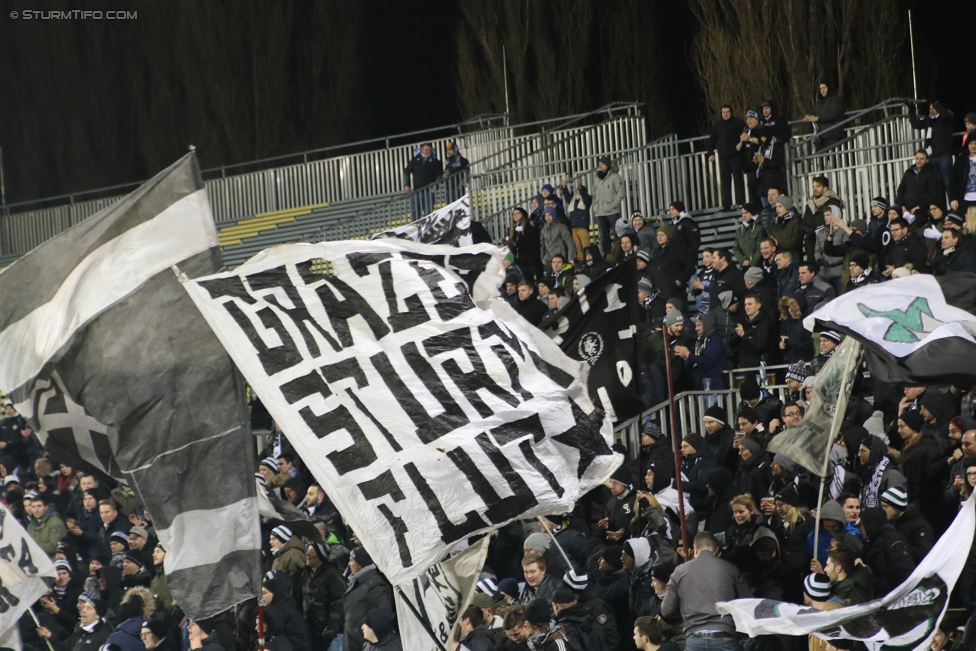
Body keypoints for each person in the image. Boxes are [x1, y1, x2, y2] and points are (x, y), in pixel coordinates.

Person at [660, 532, 750, 651]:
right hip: (724, 635)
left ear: (695, 549)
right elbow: (747, 603)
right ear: (717, 550)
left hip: (694, 636)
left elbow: (666, 610)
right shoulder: (731, 569)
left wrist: (686, 609)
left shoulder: (680, 571)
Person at [343, 546, 393, 651]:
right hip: (353, 643)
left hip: (365, 645)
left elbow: (383, 612)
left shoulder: (374, 584)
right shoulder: (357, 582)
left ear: (360, 564)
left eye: (351, 561)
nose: (349, 564)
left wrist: (367, 638)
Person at [859, 507, 916, 597]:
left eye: (861, 525)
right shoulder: (875, 542)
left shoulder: (892, 540)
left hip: (892, 597)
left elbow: (904, 570)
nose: (860, 529)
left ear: (869, 523)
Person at [300, 542, 346, 651]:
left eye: (311, 552)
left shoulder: (332, 574)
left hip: (325, 632)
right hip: (308, 630)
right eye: (307, 551)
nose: (307, 554)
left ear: (321, 555)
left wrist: (330, 630)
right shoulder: (305, 573)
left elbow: (339, 603)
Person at [879, 486, 933, 564]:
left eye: (886, 506)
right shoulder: (890, 523)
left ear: (896, 507)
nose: (883, 510)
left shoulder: (920, 525)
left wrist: (897, 549)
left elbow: (923, 553)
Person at [707, 105, 747, 210]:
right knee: (725, 181)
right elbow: (712, 139)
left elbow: (746, 131)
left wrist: (741, 144)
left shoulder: (737, 122)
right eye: (723, 112)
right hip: (723, 158)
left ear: (731, 112)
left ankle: (741, 202)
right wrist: (710, 153)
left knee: (738, 179)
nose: (725, 114)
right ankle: (726, 204)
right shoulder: (718, 125)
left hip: (735, 156)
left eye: (727, 112)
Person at [675, 314, 727, 392]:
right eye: (695, 325)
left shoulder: (715, 342)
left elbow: (707, 362)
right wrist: (687, 358)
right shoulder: (697, 342)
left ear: (706, 325)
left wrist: (689, 355)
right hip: (699, 387)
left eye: (699, 325)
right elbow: (689, 367)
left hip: (714, 389)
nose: (696, 328)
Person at [909, 101, 955, 190]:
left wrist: (936, 103)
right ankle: (938, 204)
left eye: (934, 108)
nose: (932, 110)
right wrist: (911, 110)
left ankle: (953, 202)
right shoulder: (928, 120)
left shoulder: (945, 119)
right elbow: (915, 125)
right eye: (930, 108)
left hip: (944, 156)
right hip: (931, 156)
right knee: (934, 185)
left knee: (948, 183)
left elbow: (947, 114)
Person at [895, 150, 946, 229]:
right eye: (917, 158)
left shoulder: (931, 174)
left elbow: (933, 194)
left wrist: (919, 207)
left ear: (927, 160)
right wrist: (902, 206)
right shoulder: (908, 172)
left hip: (922, 213)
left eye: (922, 159)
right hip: (906, 212)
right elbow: (900, 190)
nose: (919, 161)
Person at [732, 293, 778, 368]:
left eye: (750, 304)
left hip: (760, 367)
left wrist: (744, 335)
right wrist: (737, 334)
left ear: (758, 305)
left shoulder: (765, 322)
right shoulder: (742, 322)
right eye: (745, 304)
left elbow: (761, 345)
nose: (747, 307)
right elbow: (732, 345)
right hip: (743, 366)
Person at [591, 156, 625, 255]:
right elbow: (594, 193)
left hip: (612, 212)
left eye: (602, 163)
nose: (599, 165)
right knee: (603, 237)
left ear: (607, 164)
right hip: (600, 213)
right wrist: (595, 206)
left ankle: (619, 254)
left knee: (616, 234)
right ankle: (607, 257)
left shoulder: (615, 177)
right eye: (599, 164)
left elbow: (621, 193)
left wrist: (613, 205)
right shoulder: (597, 178)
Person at [403, 143, 442, 219]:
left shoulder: (435, 161)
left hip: (429, 192)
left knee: (428, 213)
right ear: (421, 150)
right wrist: (406, 185)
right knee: (415, 213)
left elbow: (439, 175)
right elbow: (406, 172)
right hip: (417, 191)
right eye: (426, 150)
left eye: (429, 150)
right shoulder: (415, 160)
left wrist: (435, 185)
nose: (428, 151)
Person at [803, 82, 846, 150]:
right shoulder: (819, 102)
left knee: (833, 158)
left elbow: (832, 114)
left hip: (833, 134)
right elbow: (813, 111)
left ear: (829, 88)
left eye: (824, 88)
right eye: (820, 89)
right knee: (822, 159)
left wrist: (817, 118)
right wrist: (808, 116)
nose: (822, 90)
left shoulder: (836, 100)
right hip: (821, 135)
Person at [768, 196, 803, 264]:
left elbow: (796, 241)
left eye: (780, 206)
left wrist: (778, 243)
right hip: (779, 258)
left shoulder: (796, 221)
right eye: (776, 207)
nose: (777, 209)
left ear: (787, 207)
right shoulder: (775, 223)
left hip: (793, 258)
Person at [669, 201, 701, 266]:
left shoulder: (688, 223)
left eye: (672, 209)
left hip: (688, 261)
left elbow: (694, 241)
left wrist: (687, 255)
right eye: (670, 210)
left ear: (679, 209)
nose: (670, 212)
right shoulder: (674, 224)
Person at [734, 203, 766, 267]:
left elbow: (760, 249)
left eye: (746, 213)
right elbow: (736, 248)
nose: (744, 215)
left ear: (752, 213)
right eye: (742, 213)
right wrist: (742, 260)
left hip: (757, 265)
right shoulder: (739, 230)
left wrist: (752, 264)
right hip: (744, 266)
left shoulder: (759, 228)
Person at [950, 137, 976, 214]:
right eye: (971, 143)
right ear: (967, 145)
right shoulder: (961, 160)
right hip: (965, 200)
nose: (973, 146)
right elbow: (953, 181)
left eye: (975, 143)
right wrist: (953, 198)